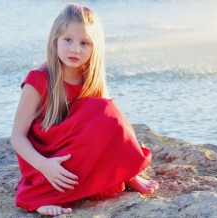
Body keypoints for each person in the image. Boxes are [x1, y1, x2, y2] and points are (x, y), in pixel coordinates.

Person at [10, 3, 159, 216]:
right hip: (48, 157)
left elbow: (106, 134)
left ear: (94, 48)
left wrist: (128, 172)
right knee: (101, 116)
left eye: (84, 43)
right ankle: (38, 196)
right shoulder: (38, 80)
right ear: (55, 41)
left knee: (108, 113)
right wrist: (45, 165)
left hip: (75, 149)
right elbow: (17, 136)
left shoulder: (89, 78)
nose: (75, 49)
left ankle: (124, 174)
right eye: (68, 40)